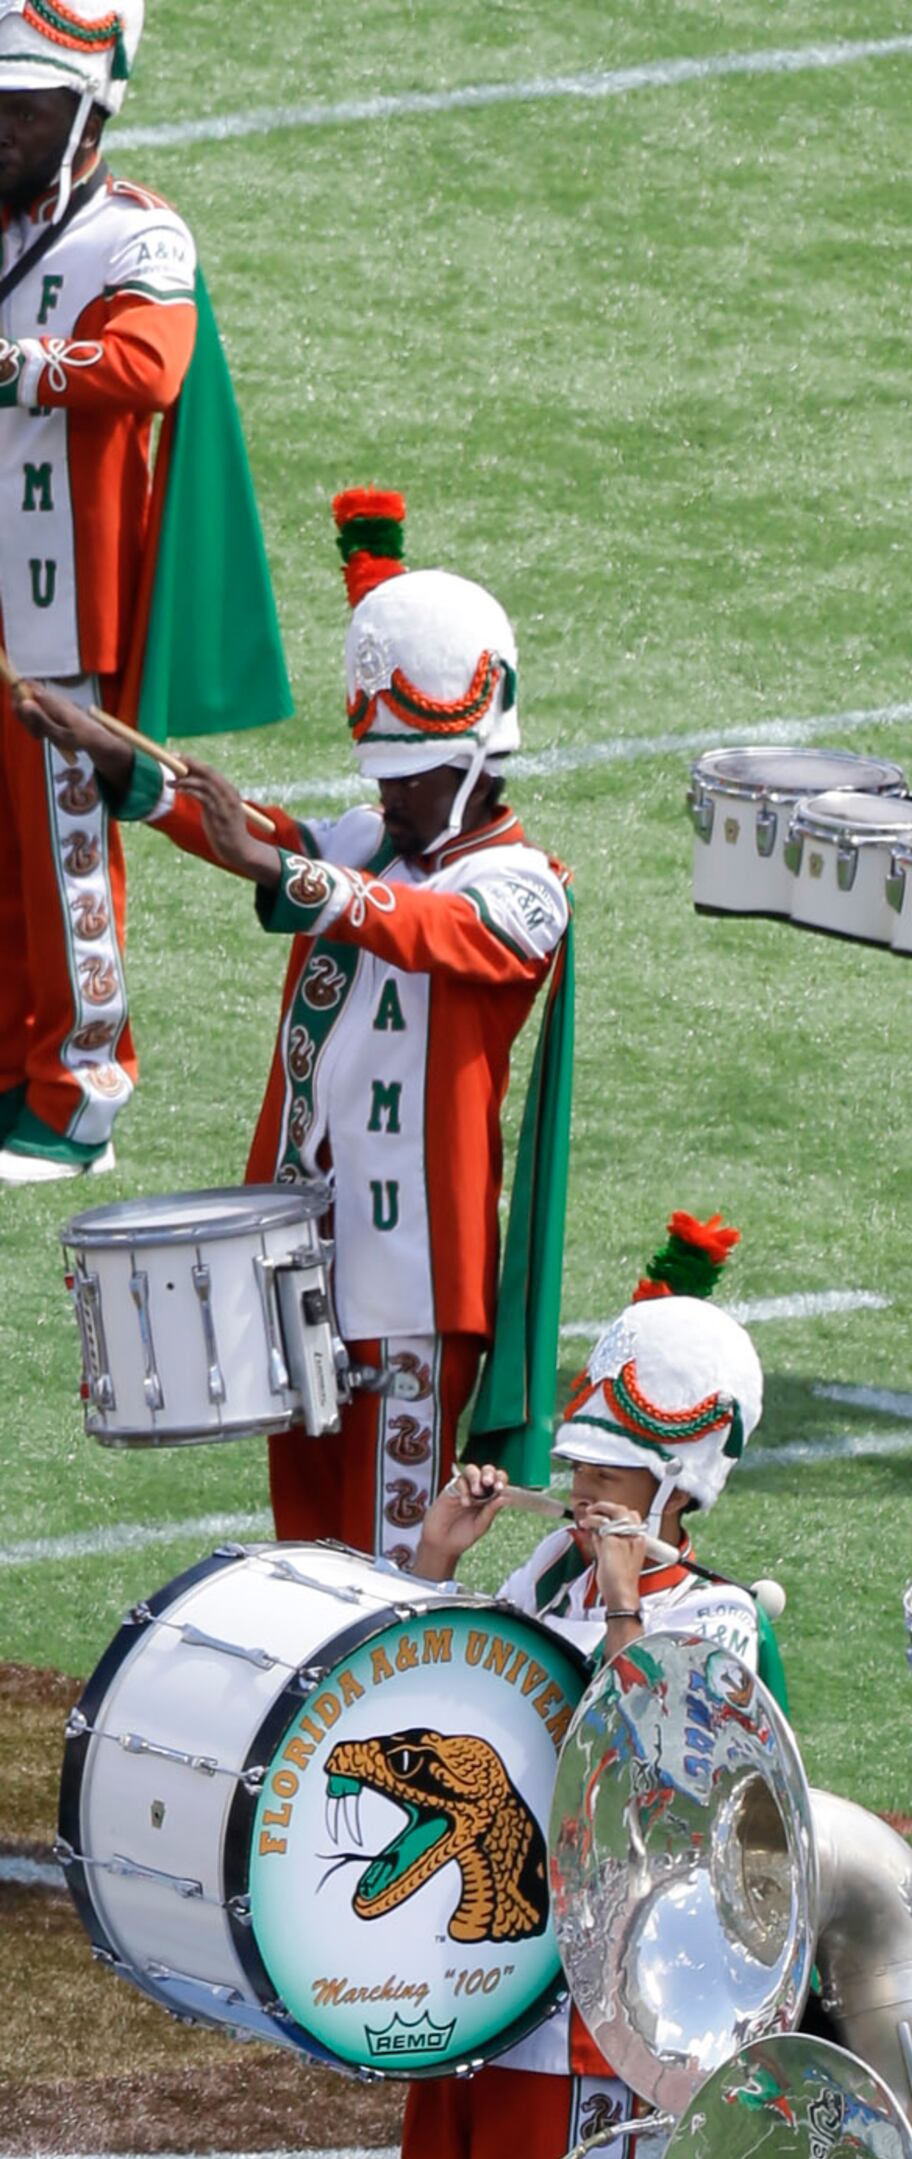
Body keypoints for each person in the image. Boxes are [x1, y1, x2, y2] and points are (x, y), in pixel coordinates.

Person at [336, 1223, 783, 2159]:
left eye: (617, 1475)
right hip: (466, 1987)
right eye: (583, 1464)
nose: (584, 1490)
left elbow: (674, 1774)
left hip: (587, 2023)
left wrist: (632, 1601)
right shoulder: (540, 1565)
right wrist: (439, 1569)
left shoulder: (717, 1620)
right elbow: (437, 1700)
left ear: (688, 1485)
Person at [41, 482, 569, 1560]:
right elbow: (255, 831)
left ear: (474, 757)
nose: (390, 797)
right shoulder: (371, 840)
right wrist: (118, 763)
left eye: (406, 775)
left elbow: (422, 928)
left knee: (390, 1566)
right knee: (307, 1560)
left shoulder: (524, 889)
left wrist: (282, 864)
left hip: (415, 1295)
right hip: (301, 1266)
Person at [0, 0, 284, 1181]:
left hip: (64, 600)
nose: (3, 126)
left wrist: (14, 367)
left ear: (90, 108)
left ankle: (79, 1094)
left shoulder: (139, 234)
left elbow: (148, 369)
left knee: (66, 847)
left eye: (26, 106)